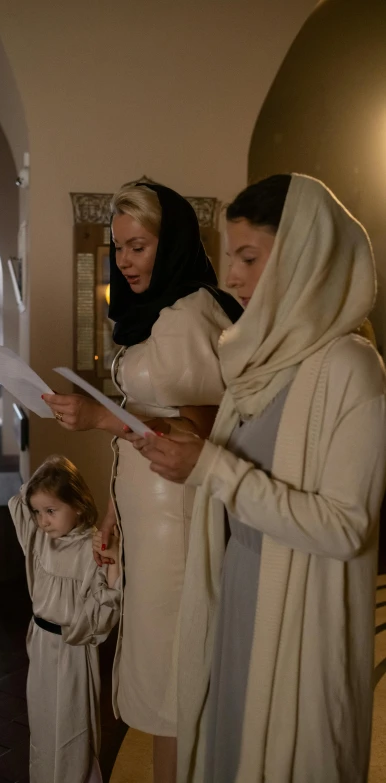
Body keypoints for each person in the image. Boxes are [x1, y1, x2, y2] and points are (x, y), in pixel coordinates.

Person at [132, 173, 386, 783]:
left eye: (249, 258)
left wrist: (213, 467)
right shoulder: (260, 363)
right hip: (237, 593)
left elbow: (344, 526)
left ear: (306, 257)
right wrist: (198, 456)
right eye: (230, 259)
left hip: (299, 619)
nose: (234, 278)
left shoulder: (351, 369)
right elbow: (241, 482)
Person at [43, 182, 243, 782]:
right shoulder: (158, 315)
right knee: (161, 673)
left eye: (137, 246)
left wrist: (102, 414)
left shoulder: (190, 316)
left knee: (180, 679)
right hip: (151, 518)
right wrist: (114, 513)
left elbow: (209, 427)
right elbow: (147, 428)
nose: (124, 261)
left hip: (183, 520)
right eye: (118, 248)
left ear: (171, 241)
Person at [8, 455, 121, 783]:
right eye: (38, 512)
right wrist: (52, 465)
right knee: (43, 723)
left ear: (79, 506)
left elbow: (106, 604)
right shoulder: (39, 538)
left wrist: (112, 560)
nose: (42, 520)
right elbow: (20, 500)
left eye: (51, 511)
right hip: (41, 644)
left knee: (73, 724)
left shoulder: (91, 549)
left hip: (73, 648)